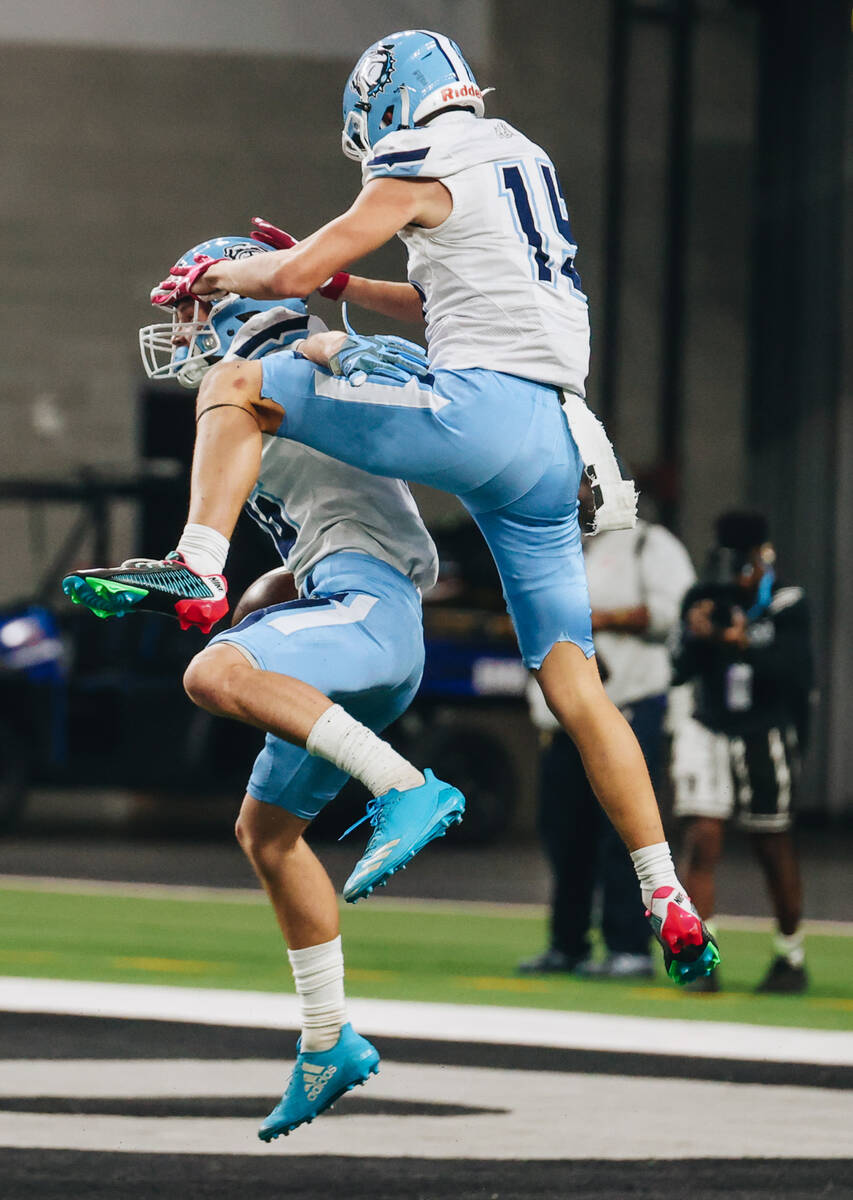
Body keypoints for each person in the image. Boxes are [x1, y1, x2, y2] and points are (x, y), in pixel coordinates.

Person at [68, 30, 718, 987]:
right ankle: (667, 893)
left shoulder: (422, 154)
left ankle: (197, 563)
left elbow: (285, 285)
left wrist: (221, 277)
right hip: (558, 441)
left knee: (241, 382)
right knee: (575, 683)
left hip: (479, 411)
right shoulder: (516, 155)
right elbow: (431, 300)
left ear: (389, 101)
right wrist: (333, 282)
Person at [65, 233, 465, 1139]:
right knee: (266, 833)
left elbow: (392, 357)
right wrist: (258, 598)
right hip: (346, 612)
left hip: (371, 614)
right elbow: (304, 548)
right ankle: (328, 1040)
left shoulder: (291, 360)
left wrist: (335, 336)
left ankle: (406, 784)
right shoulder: (252, 403)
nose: (180, 328)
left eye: (192, 308)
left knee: (214, 671)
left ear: (240, 303)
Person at [520, 488, 696, 977]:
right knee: (563, 834)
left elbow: (675, 615)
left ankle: (629, 947)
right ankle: (567, 943)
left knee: (621, 835)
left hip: (629, 709)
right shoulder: (558, 545)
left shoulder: (649, 545)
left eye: (586, 483)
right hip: (561, 721)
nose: (577, 495)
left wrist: (600, 619)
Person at [670, 511, 812, 993]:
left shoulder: (788, 603)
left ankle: (790, 956)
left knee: (772, 843)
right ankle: (701, 962)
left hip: (763, 729)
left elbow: (796, 671)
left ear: (762, 558)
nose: (739, 578)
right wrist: (696, 633)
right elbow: (678, 667)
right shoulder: (701, 597)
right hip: (709, 725)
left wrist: (744, 640)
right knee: (703, 838)